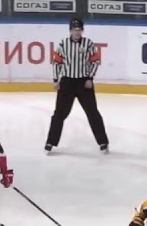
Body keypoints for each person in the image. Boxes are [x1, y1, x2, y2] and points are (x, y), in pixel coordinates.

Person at [45, 18, 110, 154]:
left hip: (83, 83)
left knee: (92, 112)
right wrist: (56, 79)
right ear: (70, 30)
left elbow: (95, 61)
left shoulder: (88, 43)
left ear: (82, 30)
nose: (77, 32)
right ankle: (50, 142)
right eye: (75, 30)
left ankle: (103, 142)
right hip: (67, 83)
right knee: (59, 114)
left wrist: (90, 78)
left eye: (79, 30)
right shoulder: (63, 44)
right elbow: (57, 62)